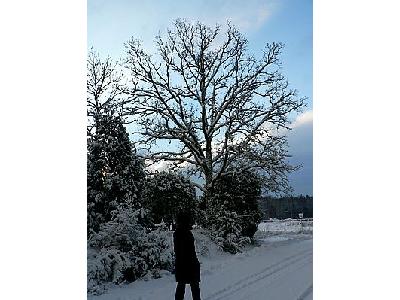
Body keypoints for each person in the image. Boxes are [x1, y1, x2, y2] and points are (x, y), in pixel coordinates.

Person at [173, 212, 201, 300]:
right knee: (193, 287)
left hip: (182, 264)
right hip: (188, 263)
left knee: (182, 286)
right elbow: (188, 250)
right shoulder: (183, 233)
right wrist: (195, 262)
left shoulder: (179, 233)